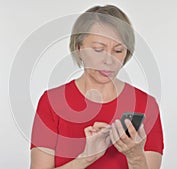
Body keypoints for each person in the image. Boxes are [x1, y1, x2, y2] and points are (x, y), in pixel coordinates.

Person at [30, 5, 164, 169]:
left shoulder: (146, 105)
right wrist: (86, 158)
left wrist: (135, 156)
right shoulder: (52, 102)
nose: (109, 61)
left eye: (118, 50)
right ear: (79, 49)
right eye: (98, 49)